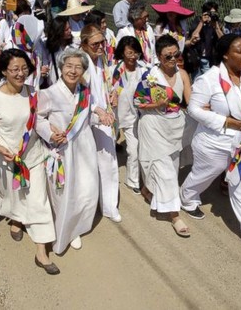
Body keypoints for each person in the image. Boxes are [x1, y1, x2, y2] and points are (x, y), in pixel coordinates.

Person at [180, 34, 241, 258]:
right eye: (239, 51)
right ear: (225, 54)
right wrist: (227, 121)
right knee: (204, 175)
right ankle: (187, 197)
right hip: (214, 142)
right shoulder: (209, 79)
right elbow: (194, 109)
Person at [0, 49, 59, 274]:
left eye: (24, 69)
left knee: (39, 201)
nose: (21, 74)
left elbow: (41, 120)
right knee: (12, 198)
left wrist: (53, 130)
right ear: (3, 71)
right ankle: (16, 219)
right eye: (14, 70)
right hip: (6, 161)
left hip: (33, 157)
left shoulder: (33, 94)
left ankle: (42, 251)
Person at [36, 49, 99, 254]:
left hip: (84, 146)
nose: (73, 70)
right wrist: (49, 133)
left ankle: (79, 224)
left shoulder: (85, 92)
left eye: (78, 67)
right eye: (69, 66)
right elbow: (37, 119)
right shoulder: (48, 93)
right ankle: (66, 230)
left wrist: (103, 117)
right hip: (62, 150)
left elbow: (87, 118)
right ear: (61, 68)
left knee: (86, 188)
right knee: (64, 192)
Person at [133, 35, 191, 236]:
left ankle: (148, 191)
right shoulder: (150, 76)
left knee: (171, 168)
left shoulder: (183, 74)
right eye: (168, 56)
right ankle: (175, 214)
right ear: (159, 56)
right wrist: (156, 105)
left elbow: (189, 102)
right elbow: (138, 102)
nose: (173, 59)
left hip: (175, 127)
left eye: (176, 55)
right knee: (163, 169)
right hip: (153, 125)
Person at [80, 25, 121, 223]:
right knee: (86, 166)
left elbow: (107, 83)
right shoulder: (80, 63)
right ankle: (87, 208)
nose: (100, 46)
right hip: (86, 118)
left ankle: (108, 206)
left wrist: (113, 92)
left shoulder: (103, 59)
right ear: (84, 45)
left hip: (104, 117)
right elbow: (80, 94)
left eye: (102, 42)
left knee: (109, 161)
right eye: (95, 44)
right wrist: (98, 110)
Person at [110, 36, 147, 194]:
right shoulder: (117, 70)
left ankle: (133, 181)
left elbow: (147, 92)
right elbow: (110, 89)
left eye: (136, 53)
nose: (133, 56)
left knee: (133, 149)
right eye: (129, 53)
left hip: (136, 116)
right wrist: (112, 96)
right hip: (116, 116)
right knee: (109, 145)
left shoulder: (144, 70)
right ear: (122, 53)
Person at [38, 15, 74, 88]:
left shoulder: (72, 47)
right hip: (52, 86)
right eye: (66, 30)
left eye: (70, 28)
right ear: (59, 31)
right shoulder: (46, 47)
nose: (70, 31)